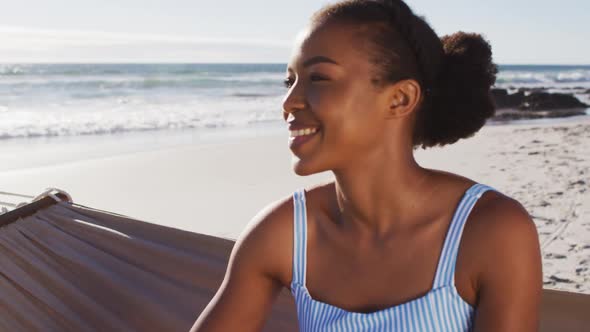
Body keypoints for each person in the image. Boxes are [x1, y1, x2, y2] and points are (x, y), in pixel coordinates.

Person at [191, 0, 542, 331]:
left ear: (399, 99)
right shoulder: (284, 234)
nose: (288, 102)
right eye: (289, 81)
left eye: (318, 78)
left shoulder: (492, 231)